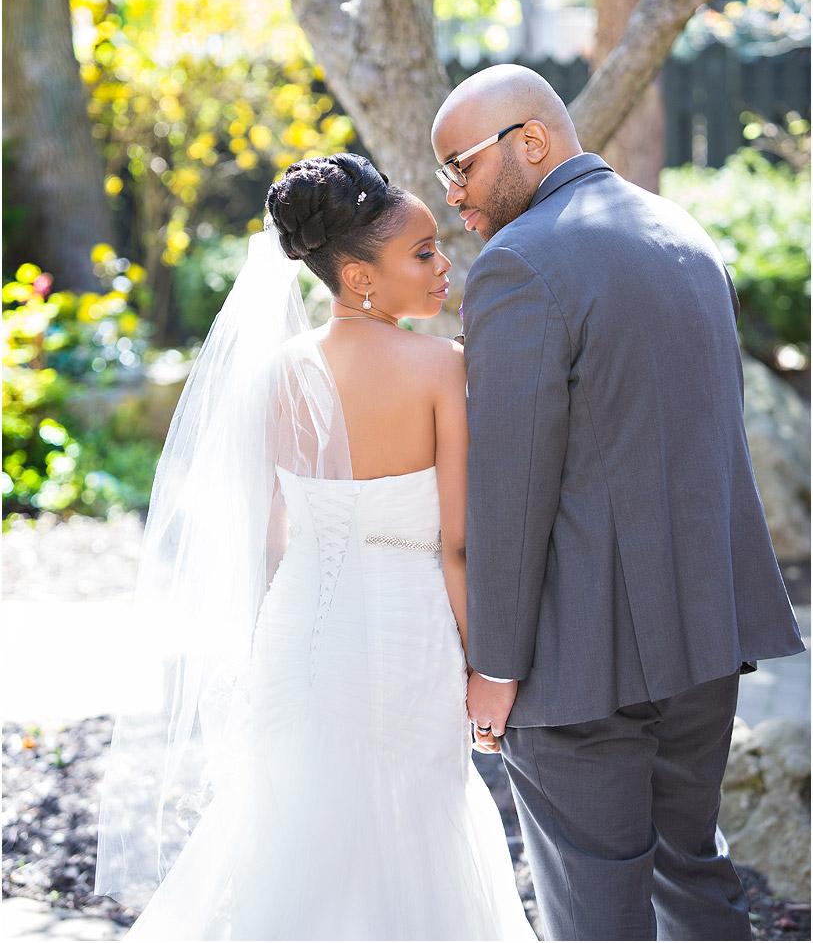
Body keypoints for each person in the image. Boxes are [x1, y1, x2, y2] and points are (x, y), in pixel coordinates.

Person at [94, 153, 536, 941]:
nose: (443, 267)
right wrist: (484, 667)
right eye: (423, 253)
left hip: (297, 629)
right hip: (407, 631)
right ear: (361, 278)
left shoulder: (273, 374)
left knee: (292, 820)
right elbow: (462, 542)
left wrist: (263, 646)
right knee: (407, 821)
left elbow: (269, 537)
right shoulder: (442, 368)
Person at [431, 63, 805, 943]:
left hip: (581, 659)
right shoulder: (681, 231)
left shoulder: (517, 264)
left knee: (595, 909)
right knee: (692, 876)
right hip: (702, 638)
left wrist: (493, 666)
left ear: (531, 141)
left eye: (461, 166)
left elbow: (511, 490)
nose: (452, 195)